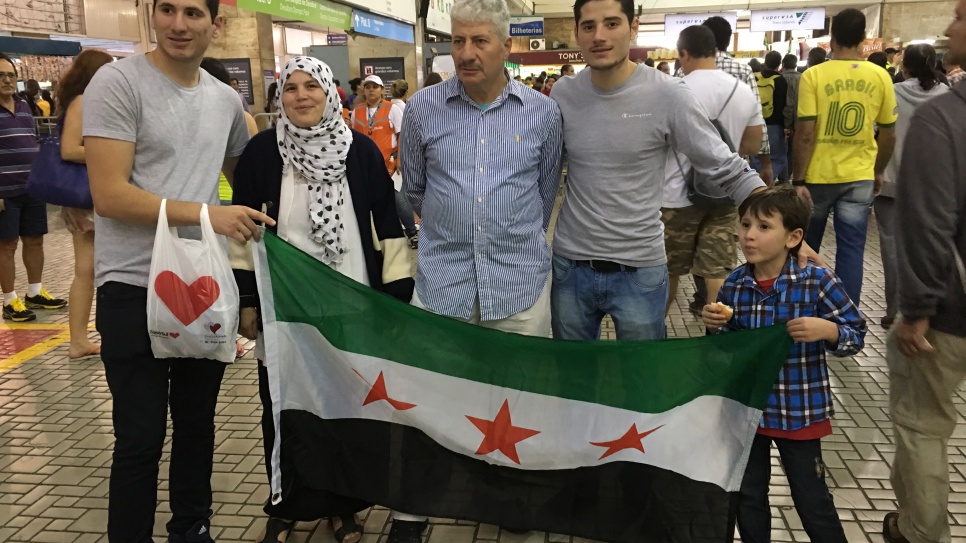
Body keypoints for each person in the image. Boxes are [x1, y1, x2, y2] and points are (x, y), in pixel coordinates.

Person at [82, 0, 273, 539]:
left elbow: (250, 179)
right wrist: (210, 214)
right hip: (132, 284)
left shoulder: (223, 102)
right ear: (151, 15)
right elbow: (111, 194)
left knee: (197, 426)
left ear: (217, 24)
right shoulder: (118, 84)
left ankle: (191, 528)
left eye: (193, 12)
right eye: (166, 9)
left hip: (203, 286)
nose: (178, 24)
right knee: (139, 436)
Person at [396, 0, 563, 539]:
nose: (465, 54)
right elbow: (414, 188)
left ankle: (513, 501)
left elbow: (543, 193)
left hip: (518, 285)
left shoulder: (542, 112)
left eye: (479, 42)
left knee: (518, 402)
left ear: (506, 46)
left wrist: (505, 234)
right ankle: (413, 511)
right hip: (442, 283)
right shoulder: (423, 110)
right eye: (457, 42)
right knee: (428, 401)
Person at [231, 55, 414, 543]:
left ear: (331, 92)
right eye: (289, 88)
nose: (301, 95)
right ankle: (290, 500)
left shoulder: (359, 151)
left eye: (312, 85)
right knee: (286, 402)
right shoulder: (262, 154)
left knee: (350, 402)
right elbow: (242, 232)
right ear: (279, 98)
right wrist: (247, 298)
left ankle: (346, 505)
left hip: (352, 300)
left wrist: (395, 301)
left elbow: (388, 229)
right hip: (286, 307)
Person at [549, 0, 765, 342]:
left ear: (633, 27)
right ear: (577, 33)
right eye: (588, 26)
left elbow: (722, 163)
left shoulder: (667, 94)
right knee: (574, 377)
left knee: (642, 380)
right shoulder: (563, 93)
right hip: (570, 268)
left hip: (639, 269)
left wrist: (782, 219)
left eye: (611, 23)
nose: (599, 36)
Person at [703, 186, 866, 543]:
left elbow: (857, 333)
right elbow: (727, 348)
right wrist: (715, 326)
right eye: (745, 224)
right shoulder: (735, 283)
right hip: (747, 413)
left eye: (763, 227)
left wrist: (829, 331)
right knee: (748, 497)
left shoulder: (817, 282)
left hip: (799, 411)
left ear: (793, 237)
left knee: (812, 499)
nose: (748, 235)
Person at [883, 2, 966, 540]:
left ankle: (919, 531)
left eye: (960, 14)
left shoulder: (947, 117)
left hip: (949, 313)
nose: (948, 25)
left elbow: (929, 223)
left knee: (924, 425)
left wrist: (915, 310)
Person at [792, 8, 898, 308]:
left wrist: (798, 179)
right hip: (859, 177)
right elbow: (889, 134)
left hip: (817, 178)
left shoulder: (813, 75)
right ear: (864, 39)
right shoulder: (880, 75)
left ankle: (805, 309)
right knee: (851, 250)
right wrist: (877, 171)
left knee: (805, 247)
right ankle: (845, 317)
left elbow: (805, 134)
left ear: (832, 38)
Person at [662, 25, 764, 314]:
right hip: (725, 195)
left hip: (674, 198)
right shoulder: (742, 90)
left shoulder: (673, 91)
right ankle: (717, 337)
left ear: (684, 53)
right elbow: (753, 145)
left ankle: (656, 334)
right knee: (717, 270)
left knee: (668, 271)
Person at [874, 44, 947, 331]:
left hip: (891, 180)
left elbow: (879, 134)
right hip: (932, 186)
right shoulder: (946, 98)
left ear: (904, 67)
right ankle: (929, 310)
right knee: (931, 246)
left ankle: (894, 311)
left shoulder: (892, 93)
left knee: (891, 247)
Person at [0, 52, 66, 323]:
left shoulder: (24, 106)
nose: (6, 80)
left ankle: (34, 293)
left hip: (32, 188)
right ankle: (9, 299)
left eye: (11, 75)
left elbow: (35, 141)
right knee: (6, 246)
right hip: (4, 193)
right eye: (1, 75)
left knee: (35, 240)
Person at [57, 49, 114, 360]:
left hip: (94, 195)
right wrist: (112, 151)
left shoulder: (91, 101)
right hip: (86, 198)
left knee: (90, 270)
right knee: (86, 271)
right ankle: (77, 339)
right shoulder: (82, 101)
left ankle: (80, 338)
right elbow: (69, 149)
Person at [389, 78, 418, 248]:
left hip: (390, 158)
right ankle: (411, 231)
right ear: (406, 92)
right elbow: (405, 135)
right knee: (401, 196)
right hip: (396, 158)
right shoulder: (402, 108)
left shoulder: (388, 107)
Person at [751, 51, 788, 182]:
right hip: (775, 125)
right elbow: (785, 105)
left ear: (765, 62)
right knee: (778, 157)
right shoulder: (780, 80)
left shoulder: (755, 77)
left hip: (755, 123)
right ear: (779, 64)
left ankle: (756, 183)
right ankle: (768, 179)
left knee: (756, 157)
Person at [782, 54, 802, 183]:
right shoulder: (803, 78)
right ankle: (789, 175)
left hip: (782, 120)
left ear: (783, 64)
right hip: (800, 120)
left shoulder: (780, 78)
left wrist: (787, 123)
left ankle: (783, 176)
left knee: (782, 150)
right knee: (793, 150)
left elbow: (788, 103)